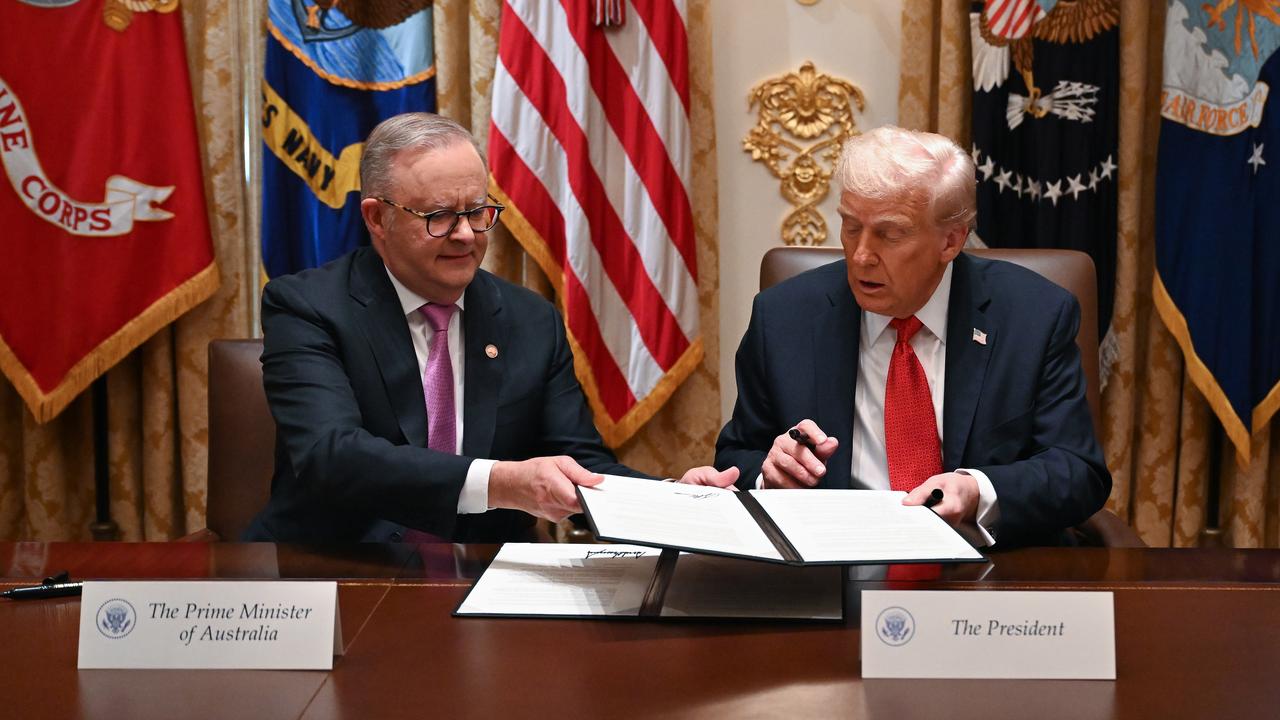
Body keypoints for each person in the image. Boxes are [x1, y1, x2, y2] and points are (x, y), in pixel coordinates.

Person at [246, 112, 735, 543]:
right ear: (377, 218)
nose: (465, 235)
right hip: (339, 569)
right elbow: (330, 455)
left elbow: (579, 463)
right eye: (438, 216)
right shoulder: (308, 305)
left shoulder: (529, 319)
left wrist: (671, 501)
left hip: (485, 575)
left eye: (477, 212)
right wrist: (500, 483)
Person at [715, 125, 1110, 548]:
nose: (862, 254)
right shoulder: (783, 317)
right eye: (851, 227)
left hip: (984, 573)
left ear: (951, 240)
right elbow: (737, 456)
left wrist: (978, 490)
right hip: (834, 564)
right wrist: (771, 474)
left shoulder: (1035, 316)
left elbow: (1077, 469)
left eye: (890, 233)